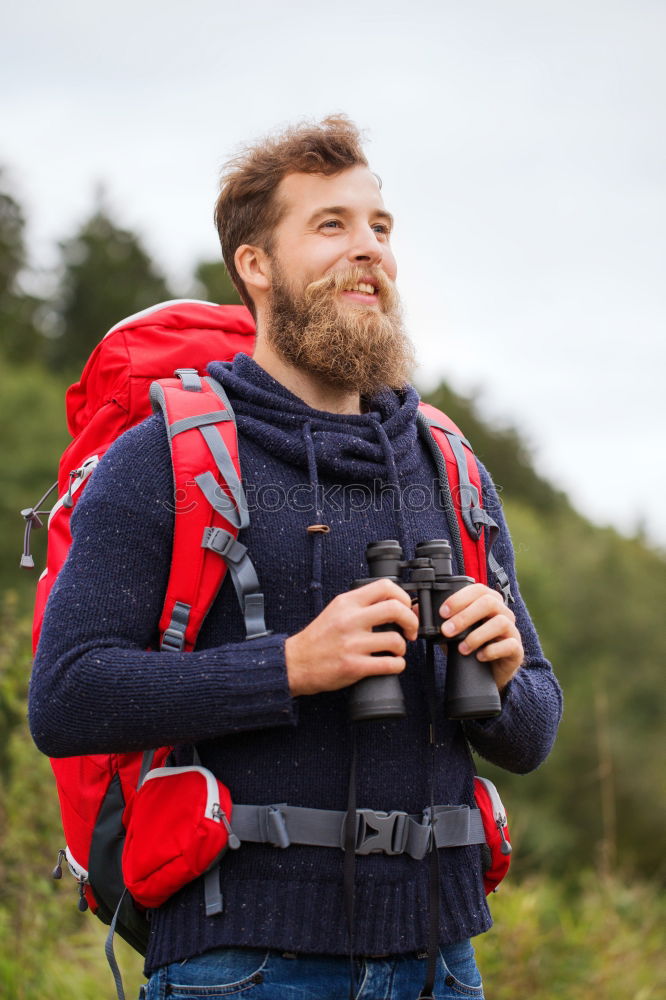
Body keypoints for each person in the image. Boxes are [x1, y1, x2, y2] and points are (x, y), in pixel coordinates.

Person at [29, 115, 562, 1000]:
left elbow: (534, 732)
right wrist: (292, 666)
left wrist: (505, 676)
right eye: (331, 225)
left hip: (443, 958)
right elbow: (68, 695)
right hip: (244, 963)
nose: (369, 250)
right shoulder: (166, 457)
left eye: (379, 227)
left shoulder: (447, 465)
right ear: (256, 265)